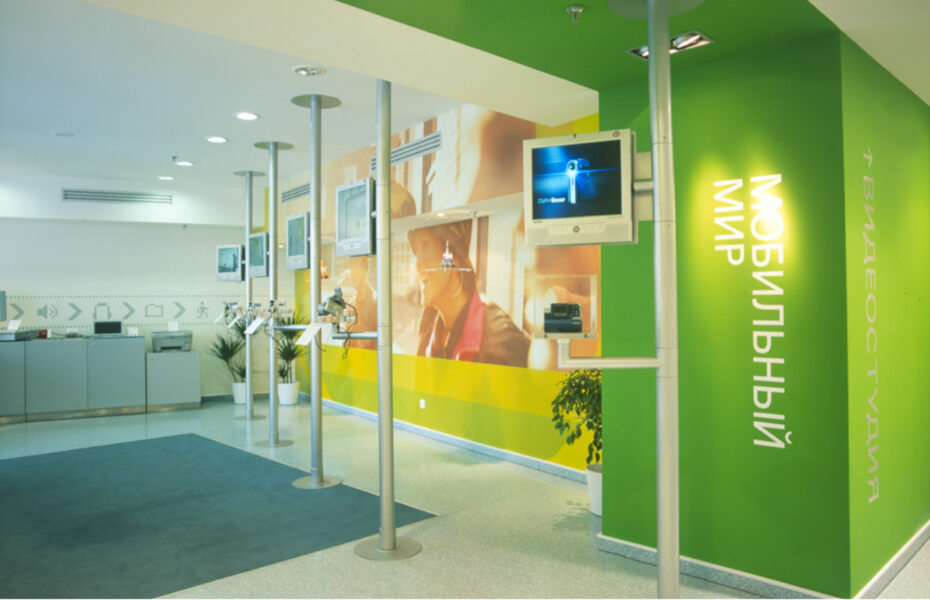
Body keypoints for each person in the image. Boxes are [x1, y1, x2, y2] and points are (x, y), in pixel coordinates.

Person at [407, 219, 530, 368]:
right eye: (416, 251)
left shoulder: (502, 344)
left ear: (451, 258)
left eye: (426, 245)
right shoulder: (428, 327)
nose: (417, 264)